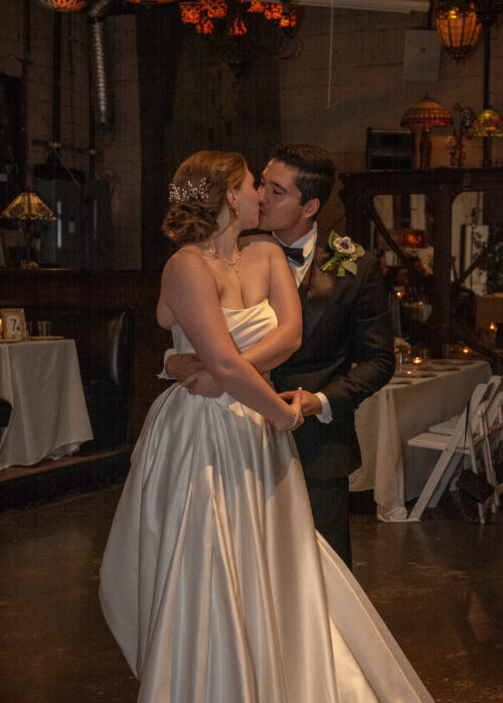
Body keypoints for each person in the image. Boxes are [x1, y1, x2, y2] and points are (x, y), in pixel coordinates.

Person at [100, 150, 446, 703]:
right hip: (205, 436)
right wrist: (227, 381)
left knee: (277, 573)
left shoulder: (265, 256)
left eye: (270, 184)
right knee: (206, 573)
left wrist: (216, 373)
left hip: (252, 433)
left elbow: (286, 337)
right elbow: (205, 353)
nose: (261, 191)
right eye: (253, 183)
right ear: (229, 196)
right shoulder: (185, 265)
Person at [167, 143, 395, 568]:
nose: (261, 197)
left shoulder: (355, 266)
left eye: (277, 190)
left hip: (317, 442)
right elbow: (196, 332)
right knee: (244, 569)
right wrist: (173, 362)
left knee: (322, 573)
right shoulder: (227, 253)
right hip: (237, 438)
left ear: (310, 205)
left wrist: (321, 401)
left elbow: (380, 361)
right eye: (262, 185)